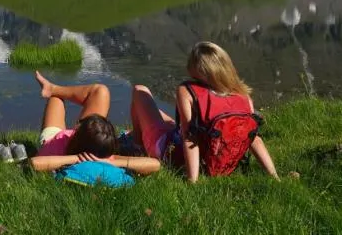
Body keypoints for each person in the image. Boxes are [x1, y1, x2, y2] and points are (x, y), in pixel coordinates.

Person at [130, 41, 279, 183]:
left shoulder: (187, 91)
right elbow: (254, 138)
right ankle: (142, 138)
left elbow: (190, 138)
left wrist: (192, 181)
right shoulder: (243, 97)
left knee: (140, 91)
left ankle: (138, 147)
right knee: (166, 118)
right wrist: (274, 175)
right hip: (221, 163)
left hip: (173, 155)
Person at [29, 71, 160, 175]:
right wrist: (112, 162)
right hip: (87, 140)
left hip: (55, 137)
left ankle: (53, 91)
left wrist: (76, 158)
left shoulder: (55, 150)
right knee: (100, 92)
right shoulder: (103, 155)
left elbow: (34, 163)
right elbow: (155, 164)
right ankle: (52, 88)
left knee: (56, 99)